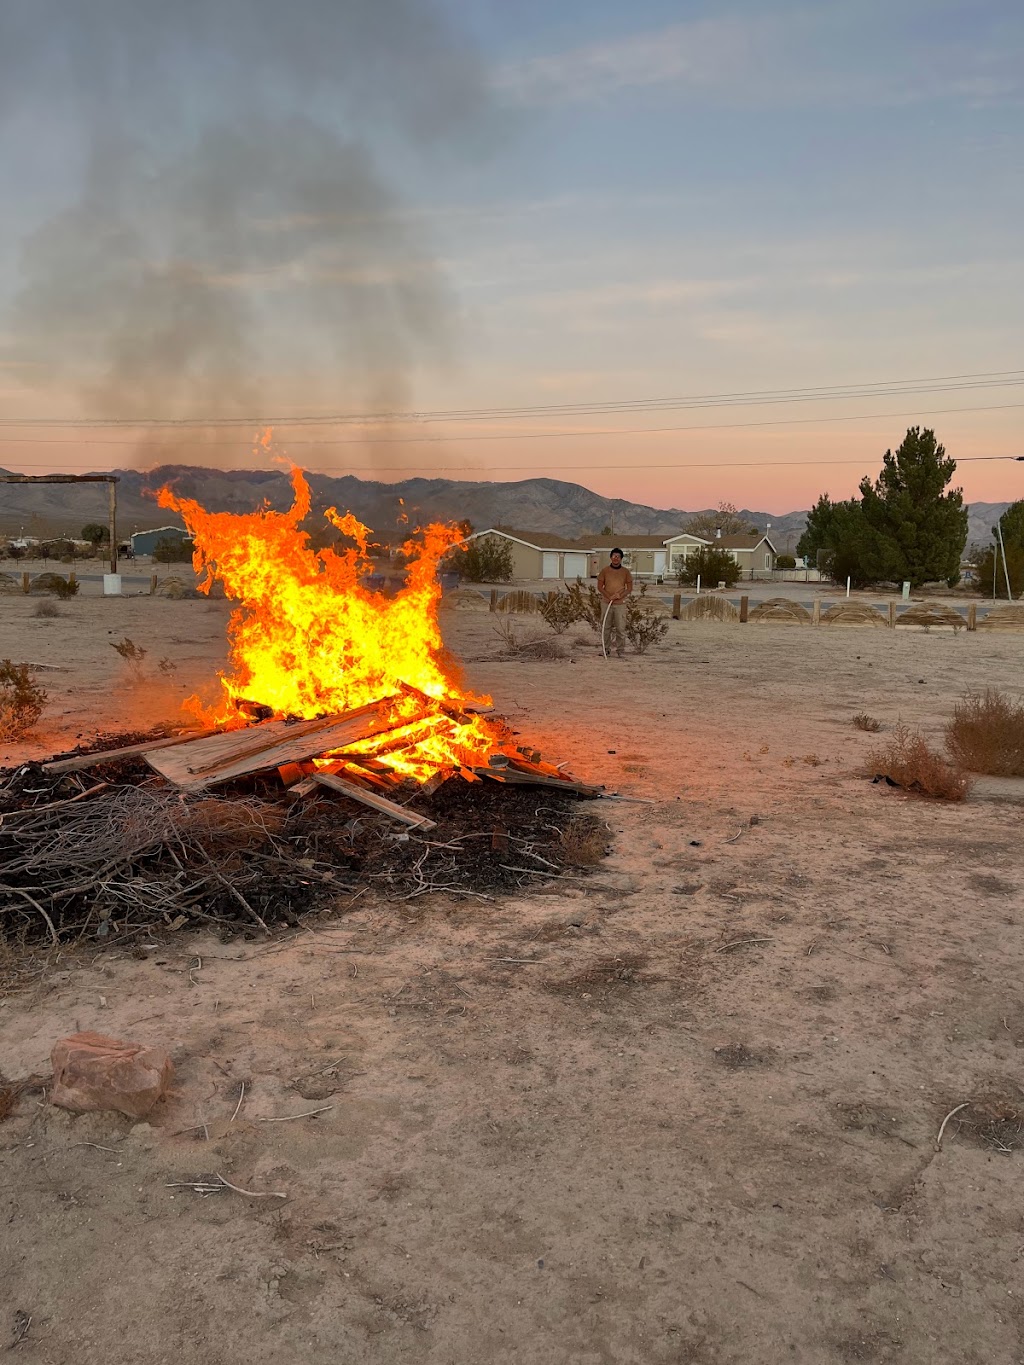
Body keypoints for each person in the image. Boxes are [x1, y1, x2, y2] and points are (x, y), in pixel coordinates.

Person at [597, 547, 633, 657]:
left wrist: (619, 596)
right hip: (606, 603)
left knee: (620, 628)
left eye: (618, 556)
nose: (615, 558)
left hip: (620, 605)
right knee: (605, 627)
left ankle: (620, 651)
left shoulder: (626, 572)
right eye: (614, 556)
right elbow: (600, 587)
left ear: (621, 558)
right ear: (611, 558)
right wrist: (609, 596)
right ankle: (606, 649)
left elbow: (629, 588)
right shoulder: (605, 571)